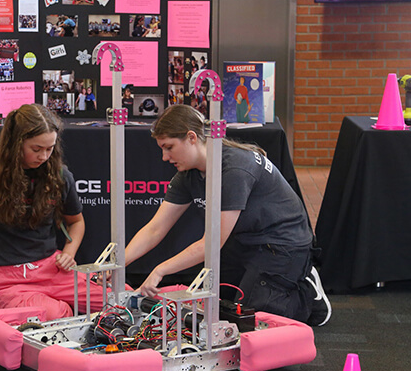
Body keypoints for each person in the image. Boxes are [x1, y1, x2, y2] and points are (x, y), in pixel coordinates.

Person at [124, 105, 332, 326]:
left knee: (255, 322)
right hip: (245, 241)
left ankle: (307, 291)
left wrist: (160, 270)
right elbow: (155, 228)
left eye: (169, 147)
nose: (165, 157)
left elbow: (212, 243)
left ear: (191, 137)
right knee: (222, 309)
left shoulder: (234, 168)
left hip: (284, 245)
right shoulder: (188, 174)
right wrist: (119, 264)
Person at [0, 104, 114, 320]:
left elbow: (76, 222)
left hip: (51, 268)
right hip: (5, 277)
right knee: (53, 314)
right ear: (15, 144)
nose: (44, 156)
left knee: (121, 299)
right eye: (36, 149)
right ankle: (60, 309)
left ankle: (60, 306)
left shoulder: (59, 175)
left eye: (50, 149)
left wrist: (69, 253)